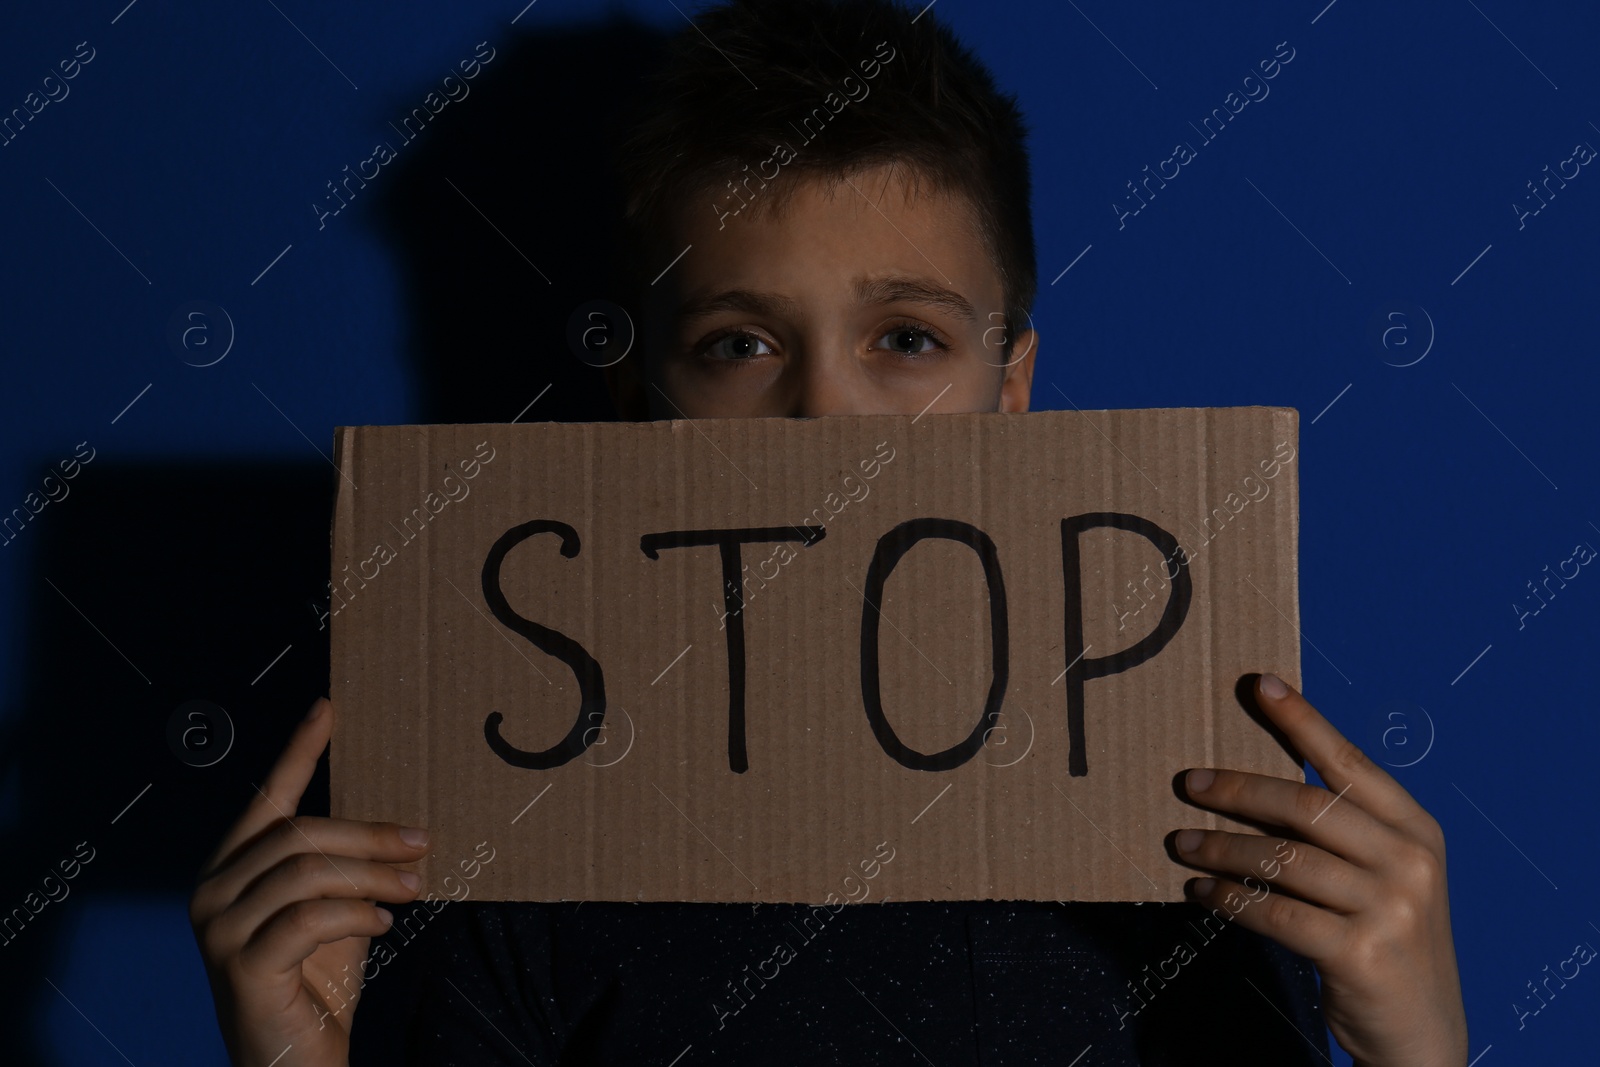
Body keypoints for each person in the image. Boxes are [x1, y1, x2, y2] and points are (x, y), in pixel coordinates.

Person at [189, 1, 1469, 1063]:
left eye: (904, 338)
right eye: (739, 344)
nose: (825, 414)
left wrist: (1419, 1047)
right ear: (639, 404)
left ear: (1010, 387)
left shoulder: (1193, 837)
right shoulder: (522, 859)